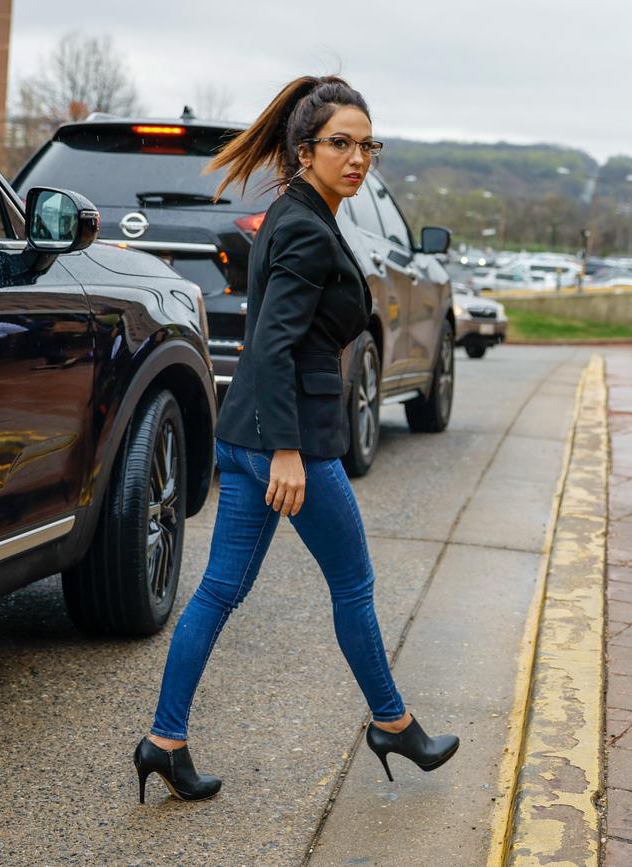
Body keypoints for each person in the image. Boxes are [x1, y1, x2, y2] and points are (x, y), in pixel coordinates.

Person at [133, 75, 459, 804]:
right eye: (341, 143)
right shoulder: (308, 228)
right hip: (292, 439)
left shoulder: (295, 211)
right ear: (306, 149)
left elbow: (270, 338)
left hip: (250, 429)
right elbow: (273, 344)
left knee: (219, 590)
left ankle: (164, 739)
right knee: (354, 584)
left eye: (367, 143)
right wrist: (287, 450)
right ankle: (393, 722)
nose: (358, 157)